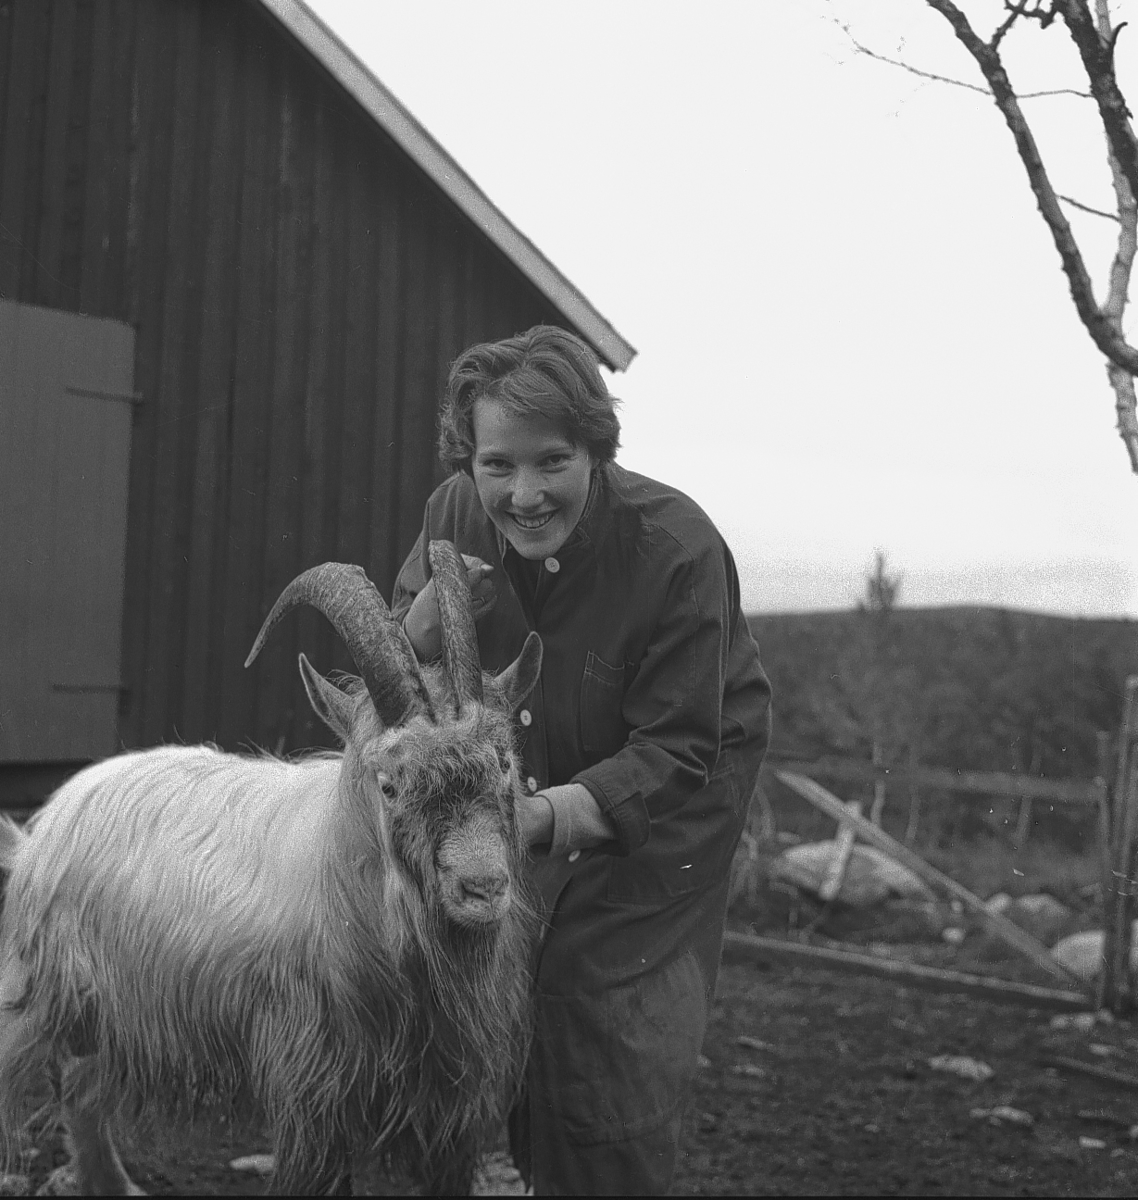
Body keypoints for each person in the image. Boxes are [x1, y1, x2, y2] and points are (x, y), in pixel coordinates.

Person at [391, 325, 771, 1196]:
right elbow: (404, 641)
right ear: (471, 461)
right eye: (498, 465)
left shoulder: (675, 549)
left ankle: (596, 1171)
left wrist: (547, 817)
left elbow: (679, 745)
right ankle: (511, 1158)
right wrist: (411, 632)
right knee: (480, 975)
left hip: (675, 787)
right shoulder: (453, 512)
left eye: (551, 462)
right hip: (524, 781)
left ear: (595, 452)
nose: (523, 495)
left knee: (596, 999)